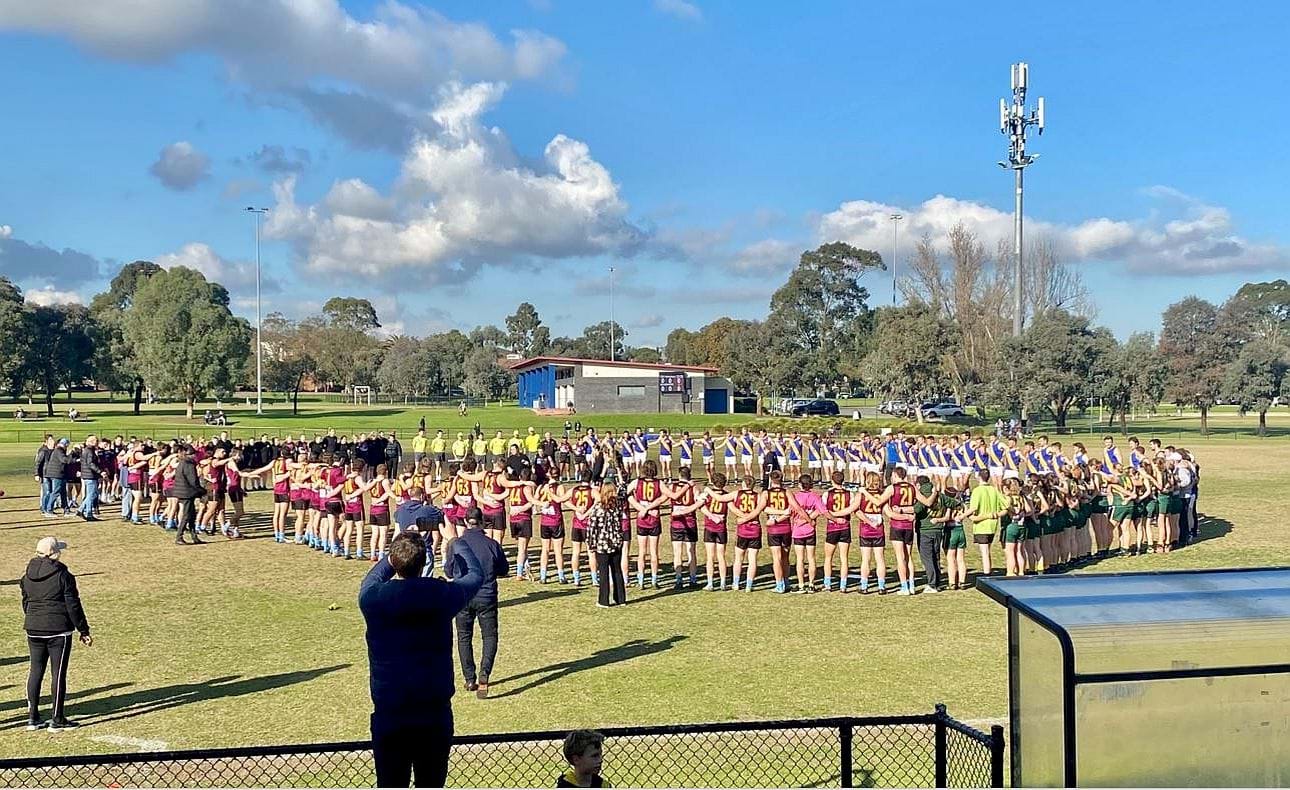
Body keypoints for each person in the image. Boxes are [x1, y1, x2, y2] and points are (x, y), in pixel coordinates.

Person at [359, 533, 483, 788]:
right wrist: (457, 542)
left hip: (390, 712)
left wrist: (396, 553)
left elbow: (371, 578)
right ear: (425, 560)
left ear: (394, 561)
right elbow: (475, 576)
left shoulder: (374, 598)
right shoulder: (440, 594)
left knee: (391, 783)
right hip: (433, 712)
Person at [21, 536, 92, 731]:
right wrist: (83, 629)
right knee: (58, 673)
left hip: (33, 628)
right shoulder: (63, 575)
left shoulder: (26, 575)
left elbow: (25, 602)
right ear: (55, 554)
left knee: (35, 671)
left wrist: (34, 619)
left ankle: (33, 717)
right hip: (58, 630)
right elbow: (73, 605)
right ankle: (57, 718)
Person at [452, 508, 509, 699]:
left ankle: (469, 678)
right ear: (482, 521)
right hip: (486, 596)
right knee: (489, 636)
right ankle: (484, 674)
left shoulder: (457, 544)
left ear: (466, 522)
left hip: (463, 595)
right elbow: (503, 568)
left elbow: (449, 570)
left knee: (463, 637)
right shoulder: (492, 544)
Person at [587, 482, 627, 607]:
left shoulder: (598, 508)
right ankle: (620, 599)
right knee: (617, 571)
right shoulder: (617, 506)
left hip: (602, 544)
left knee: (603, 572)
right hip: (615, 543)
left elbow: (591, 527)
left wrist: (591, 543)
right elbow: (624, 489)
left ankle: (603, 600)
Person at [967, 469, 1006, 576]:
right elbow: (1005, 506)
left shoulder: (977, 491)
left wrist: (964, 515)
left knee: (984, 551)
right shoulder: (994, 490)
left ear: (979, 477)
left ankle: (986, 573)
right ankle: (988, 570)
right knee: (987, 550)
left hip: (981, 525)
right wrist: (995, 515)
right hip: (992, 526)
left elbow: (973, 508)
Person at [170, 445, 206, 545]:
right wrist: (202, 490)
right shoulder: (189, 464)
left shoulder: (182, 463)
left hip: (183, 491)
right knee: (187, 515)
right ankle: (179, 536)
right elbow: (193, 481)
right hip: (187, 493)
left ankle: (194, 536)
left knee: (191, 515)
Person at [78, 435, 103, 521]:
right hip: (90, 475)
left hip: (87, 475)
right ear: (92, 442)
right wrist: (100, 471)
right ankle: (84, 511)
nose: (97, 443)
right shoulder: (89, 451)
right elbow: (90, 463)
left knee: (91, 494)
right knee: (91, 495)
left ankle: (86, 511)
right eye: (96, 441)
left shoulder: (87, 450)